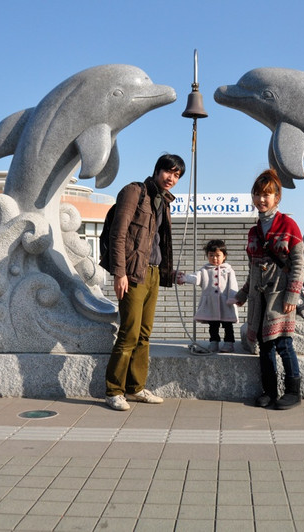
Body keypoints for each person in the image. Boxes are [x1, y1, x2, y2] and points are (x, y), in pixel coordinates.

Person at [104, 153, 185, 411]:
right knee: (129, 332)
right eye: (169, 171)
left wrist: (168, 273)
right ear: (157, 170)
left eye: (177, 175)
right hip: (132, 273)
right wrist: (119, 273)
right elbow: (118, 234)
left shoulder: (164, 201)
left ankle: (136, 387)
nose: (171, 178)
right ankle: (113, 391)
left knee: (144, 333)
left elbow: (158, 243)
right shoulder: (134, 192)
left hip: (153, 273)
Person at [234, 169, 304, 410]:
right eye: (257, 194)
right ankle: (270, 391)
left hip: (281, 296)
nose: (261, 199)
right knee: (264, 346)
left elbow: (299, 264)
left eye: (267, 194)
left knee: (284, 343)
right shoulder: (254, 231)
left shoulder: (289, 225)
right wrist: (243, 294)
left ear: (277, 197)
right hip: (259, 298)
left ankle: (293, 392)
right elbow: (253, 268)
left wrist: (292, 295)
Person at [177, 239, 240, 353]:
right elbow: (196, 277)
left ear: (224, 256)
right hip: (211, 303)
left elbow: (233, 285)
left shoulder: (228, 270)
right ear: (207, 256)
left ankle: (229, 343)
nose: (214, 258)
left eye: (217, 255)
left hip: (225, 302)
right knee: (213, 325)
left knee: (228, 325)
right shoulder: (204, 270)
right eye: (211, 255)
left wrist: (234, 298)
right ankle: (214, 342)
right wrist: (185, 278)